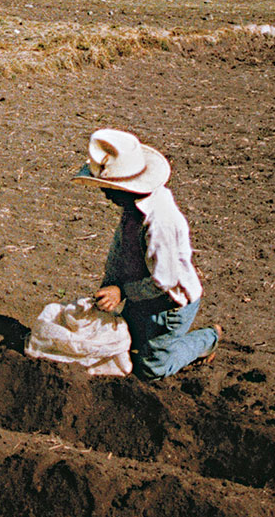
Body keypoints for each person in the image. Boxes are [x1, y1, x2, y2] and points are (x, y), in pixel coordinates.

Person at [77, 128, 219, 379]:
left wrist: (120, 291)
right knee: (123, 345)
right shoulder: (132, 208)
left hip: (170, 307)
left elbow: (165, 281)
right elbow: (119, 251)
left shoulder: (159, 221)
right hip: (140, 297)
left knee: (150, 368)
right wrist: (110, 283)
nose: (105, 193)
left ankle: (208, 338)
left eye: (108, 187)